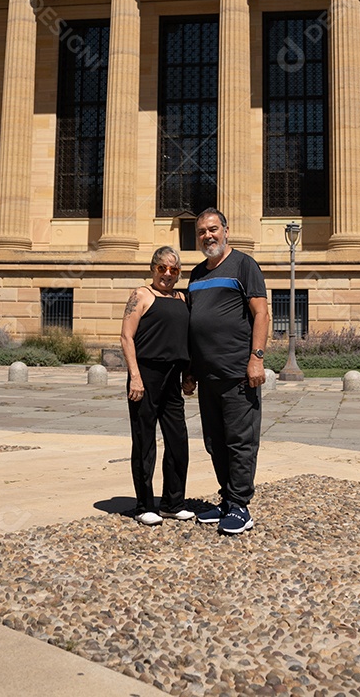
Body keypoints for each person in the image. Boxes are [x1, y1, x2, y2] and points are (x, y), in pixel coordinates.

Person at [184, 209, 269, 534]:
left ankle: (240, 506)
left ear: (226, 231)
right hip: (207, 376)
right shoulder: (195, 275)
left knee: (240, 440)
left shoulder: (244, 265)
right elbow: (194, 325)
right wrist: (190, 371)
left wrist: (256, 358)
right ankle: (227, 499)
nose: (208, 235)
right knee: (214, 441)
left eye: (213, 229)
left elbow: (261, 313)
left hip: (238, 373)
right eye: (202, 231)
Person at [120, 246, 193, 526]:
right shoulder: (141, 295)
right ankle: (143, 505)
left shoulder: (183, 298)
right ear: (153, 268)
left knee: (178, 441)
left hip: (173, 377)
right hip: (146, 375)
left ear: (178, 273)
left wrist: (188, 374)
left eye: (173, 270)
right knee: (144, 442)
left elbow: (186, 339)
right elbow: (127, 338)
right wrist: (135, 377)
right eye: (162, 268)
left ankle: (173, 503)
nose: (167, 274)